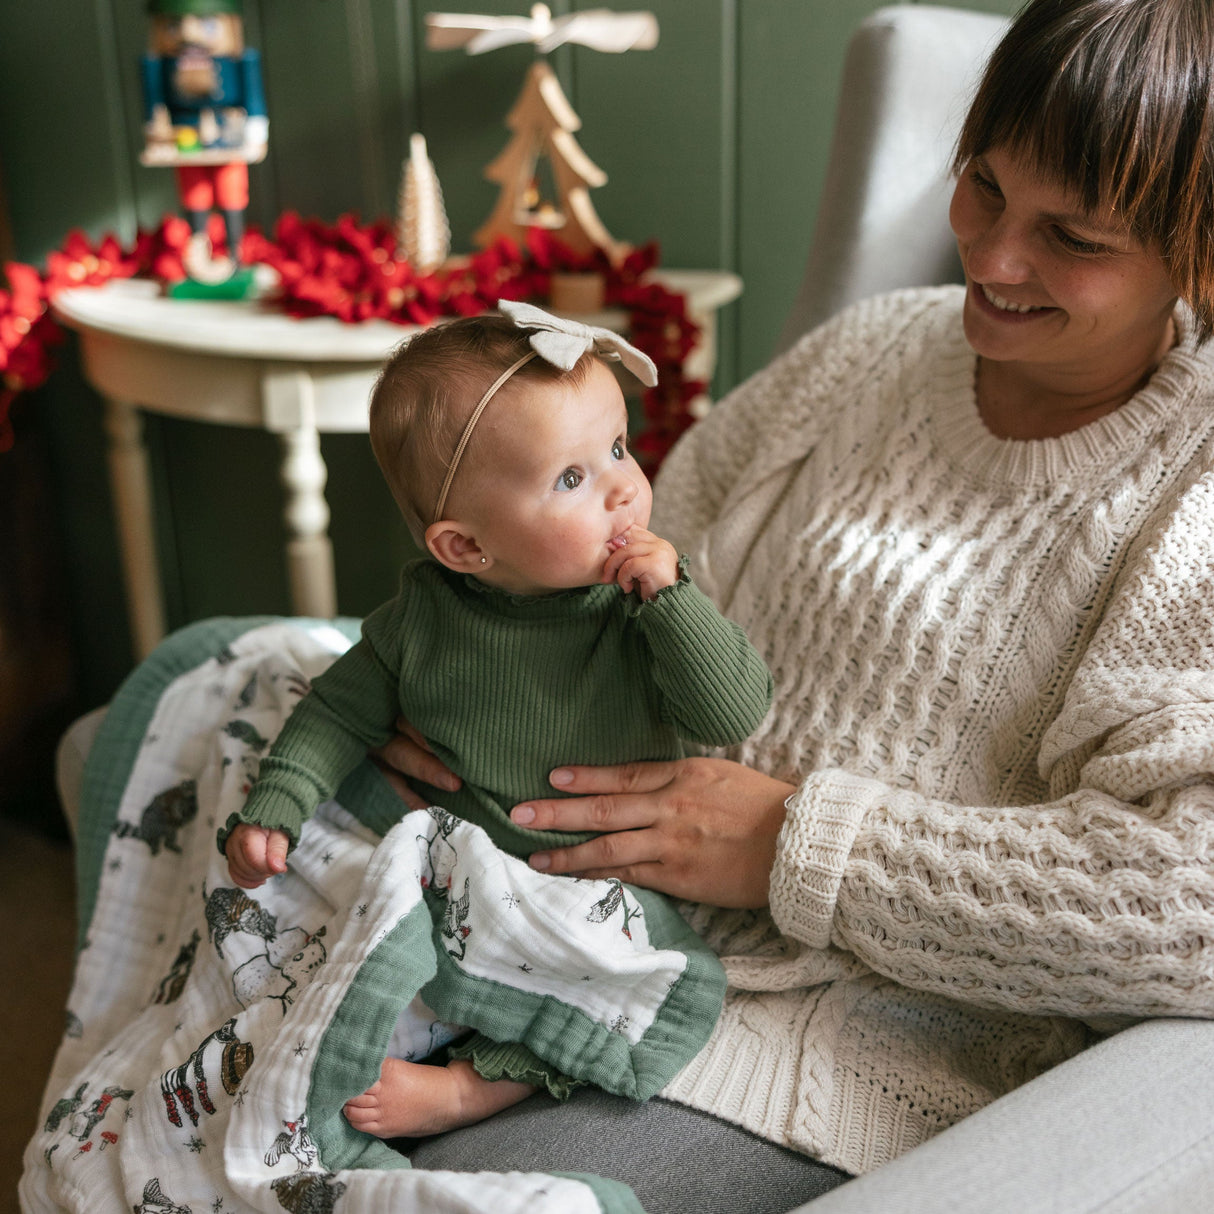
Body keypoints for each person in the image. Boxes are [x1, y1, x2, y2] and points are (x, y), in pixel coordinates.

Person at [371, 1, 1214, 1209]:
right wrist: (442, 693)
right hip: (552, 896)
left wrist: (797, 847)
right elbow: (617, 562)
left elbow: (1183, 901)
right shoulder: (865, 353)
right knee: (193, 695)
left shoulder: (1187, 486)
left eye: (1069, 235)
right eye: (980, 185)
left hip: (817, 1035)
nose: (989, 258)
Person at [220, 299, 773, 1139]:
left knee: (632, 978)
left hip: (590, 885)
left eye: (618, 447)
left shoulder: (641, 607)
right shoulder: (423, 619)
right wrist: (278, 806)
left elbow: (734, 710)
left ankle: (479, 1087)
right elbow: (335, 712)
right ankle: (354, 1026)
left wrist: (674, 601)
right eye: (572, 478)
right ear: (467, 548)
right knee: (316, 913)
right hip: (458, 863)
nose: (625, 485)